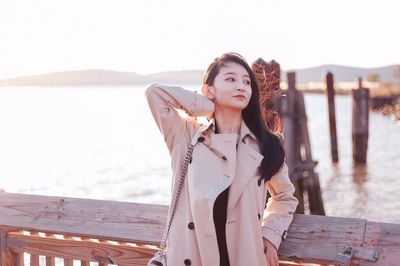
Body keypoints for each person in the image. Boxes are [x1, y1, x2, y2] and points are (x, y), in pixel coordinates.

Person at [145, 52, 298, 266]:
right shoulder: (186, 136)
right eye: (230, 79)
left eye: (246, 82)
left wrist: (270, 234)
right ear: (208, 90)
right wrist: (207, 105)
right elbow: (154, 94)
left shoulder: (267, 145)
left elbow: (285, 196)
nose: (241, 86)